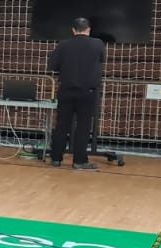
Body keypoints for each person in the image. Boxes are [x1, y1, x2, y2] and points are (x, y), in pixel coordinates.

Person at [47, 17, 107, 171]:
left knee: (61, 125)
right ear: (89, 30)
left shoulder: (63, 44)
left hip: (66, 90)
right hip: (88, 92)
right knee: (83, 127)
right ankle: (79, 161)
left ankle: (55, 158)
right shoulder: (98, 44)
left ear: (73, 30)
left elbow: (52, 66)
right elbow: (101, 60)